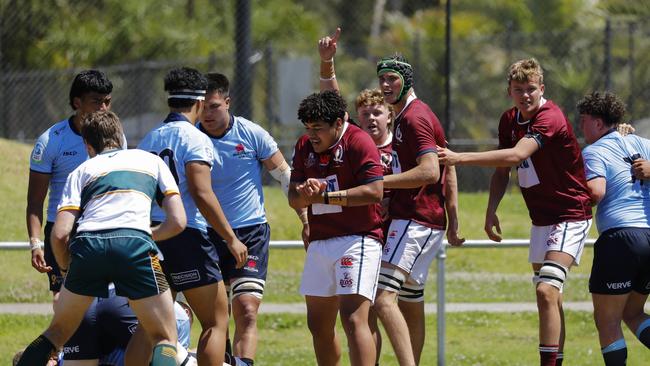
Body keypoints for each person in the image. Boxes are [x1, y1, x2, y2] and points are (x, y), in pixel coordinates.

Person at [318, 30, 464, 364]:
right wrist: (327, 65)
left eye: (392, 80)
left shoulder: (413, 119)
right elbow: (335, 104)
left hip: (414, 218)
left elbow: (434, 171)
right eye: (381, 78)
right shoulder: (382, 131)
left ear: (387, 114)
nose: (385, 86)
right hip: (396, 224)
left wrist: (382, 183)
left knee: (384, 299)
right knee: (402, 300)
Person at [438, 58, 592, 366]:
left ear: (542, 89)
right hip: (541, 219)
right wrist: (490, 210)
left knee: (546, 290)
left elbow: (518, 154)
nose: (525, 95)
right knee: (550, 295)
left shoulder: (551, 116)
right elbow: (503, 169)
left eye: (531, 89)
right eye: (518, 89)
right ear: (509, 91)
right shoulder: (509, 120)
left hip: (569, 213)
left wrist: (458, 158)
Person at [16, 110, 186, 365]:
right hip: (134, 244)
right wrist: (148, 233)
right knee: (163, 336)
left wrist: (66, 270)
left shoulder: (81, 171)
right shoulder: (150, 161)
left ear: (88, 145)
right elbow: (178, 222)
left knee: (55, 334)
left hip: (88, 247)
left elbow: (60, 233)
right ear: (121, 136)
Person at [136, 66, 247, 366]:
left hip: (151, 237)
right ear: (199, 103)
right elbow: (201, 192)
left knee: (150, 328)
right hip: (186, 238)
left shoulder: (148, 139)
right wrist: (231, 238)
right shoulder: (195, 139)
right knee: (214, 321)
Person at [197, 72, 307, 366]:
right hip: (204, 235)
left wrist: (306, 220)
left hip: (250, 233)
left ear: (228, 102)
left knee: (246, 308)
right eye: (202, 106)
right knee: (214, 316)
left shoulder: (252, 134)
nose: (207, 113)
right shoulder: (191, 138)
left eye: (214, 106)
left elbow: (285, 177)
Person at [289, 90, 384, 366]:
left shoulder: (359, 141)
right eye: (308, 128)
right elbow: (293, 197)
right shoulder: (304, 146)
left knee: (354, 319)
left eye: (318, 128)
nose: (312, 135)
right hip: (320, 241)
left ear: (338, 124)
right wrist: (306, 193)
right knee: (318, 324)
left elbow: (375, 191)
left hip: (358, 239)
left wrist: (326, 196)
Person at [27, 70, 114, 302]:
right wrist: (36, 243)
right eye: (97, 101)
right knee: (63, 301)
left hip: (100, 228)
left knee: (103, 301)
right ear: (77, 102)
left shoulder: (114, 137)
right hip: (62, 231)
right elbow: (35, 201)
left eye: (107, 101)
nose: (104, 108)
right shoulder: (51, 140)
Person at [578, 91, 650, 366]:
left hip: (620, 239)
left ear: (598, 123)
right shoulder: (643, 142)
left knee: (607, 322)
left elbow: (596, 192)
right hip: (648, 236)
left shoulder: (593, 151)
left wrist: (562, 194)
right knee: (632, 313)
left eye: (583, 120)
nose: (580, 127)